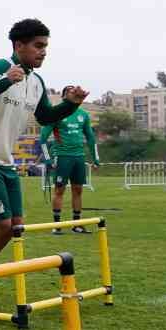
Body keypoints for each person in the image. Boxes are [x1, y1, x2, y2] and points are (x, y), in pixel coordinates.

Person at [0, 19, 88, 305]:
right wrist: (4, 80)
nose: (43, 52)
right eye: (38, 46)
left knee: (14, 225)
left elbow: (46, 117)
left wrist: (71, 103)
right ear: (18, 45)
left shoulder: (36, 82)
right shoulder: (1, 66)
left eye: (45, 47)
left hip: (3, 160)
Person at [39, 92, 101, 235]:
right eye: (70, 93)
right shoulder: (57, 114)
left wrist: (95, 158)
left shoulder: (83, 115)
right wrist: (48, 159)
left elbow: (90, 138)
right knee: (59, 190)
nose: (74, 95)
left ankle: (77, 225)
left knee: (78, 190)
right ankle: (57, 225)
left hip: (78, 157)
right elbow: (43, 139)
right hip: (62, 156)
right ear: (64, 97)